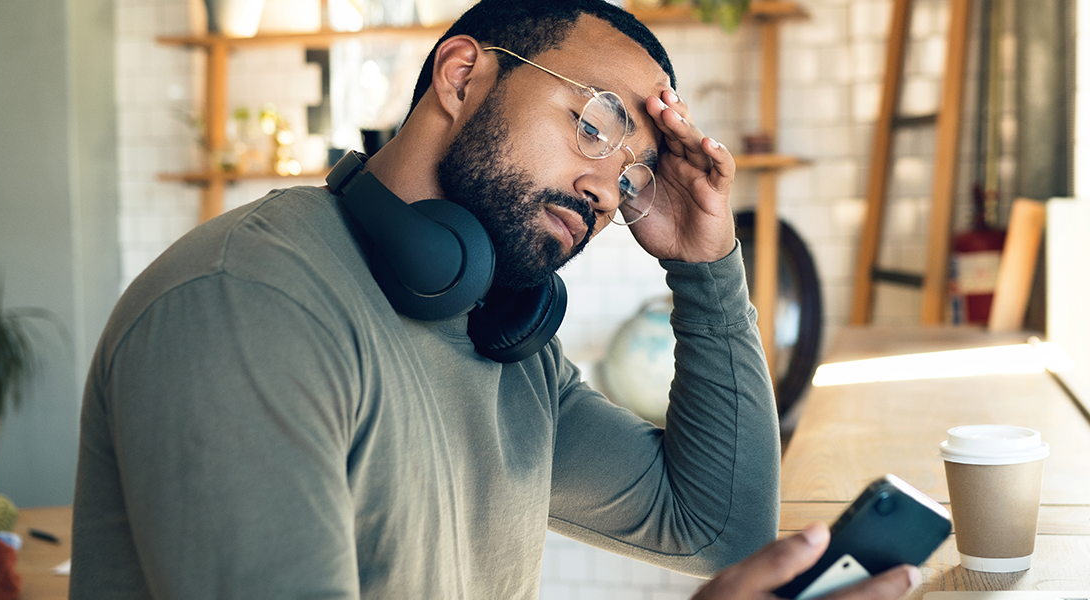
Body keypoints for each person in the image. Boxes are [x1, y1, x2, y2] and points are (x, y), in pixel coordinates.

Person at [70, 0, 917, 598]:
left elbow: (716, 525)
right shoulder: (245, 306)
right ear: (462, 73)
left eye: (631, 176)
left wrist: (707, 263)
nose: (602, 185)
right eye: (593, 124)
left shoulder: (505, 344)